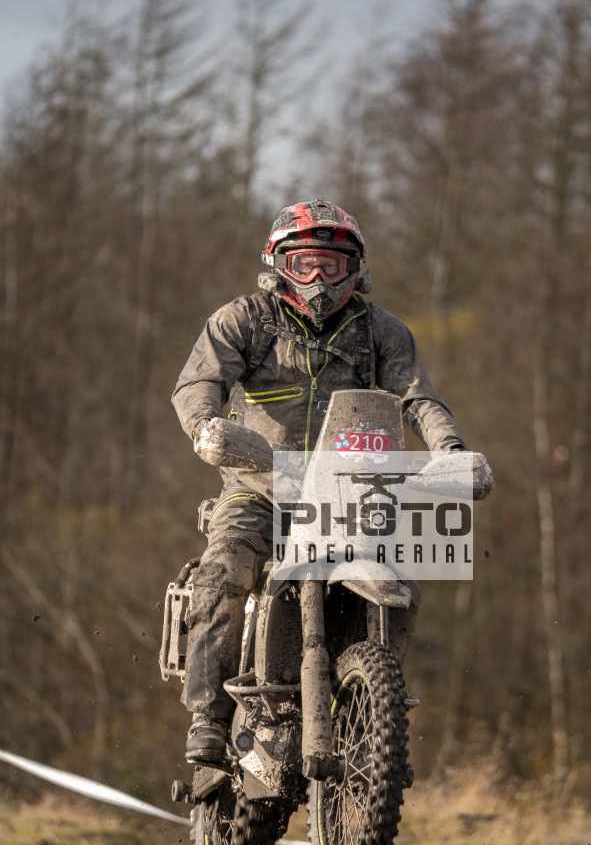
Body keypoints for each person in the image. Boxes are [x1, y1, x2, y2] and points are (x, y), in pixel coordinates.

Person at [172, 199, 470, 765]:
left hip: (350, 493)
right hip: (258, 485)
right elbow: (198, 382)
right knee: (222, 572)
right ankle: (207, 718)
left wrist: (450, 450)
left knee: (403, 580)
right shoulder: (245, 319)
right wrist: (205, 427)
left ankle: (367, 705)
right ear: (278, 261)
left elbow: (419, 398)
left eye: (332, 266)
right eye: (306, 263)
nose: (319, 278)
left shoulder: (381, 332)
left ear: (355, 268)